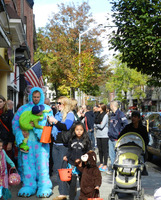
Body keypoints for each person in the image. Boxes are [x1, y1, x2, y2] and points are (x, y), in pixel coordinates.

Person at [12, 87, 53, 198]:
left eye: (38, 97)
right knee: (27, 165)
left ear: (41, 97)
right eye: (34, 97)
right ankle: (29, 185)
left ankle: (44, 185)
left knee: (42, 165)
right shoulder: (23, 109)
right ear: (30, 96)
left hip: (41, 143)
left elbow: (49, 124)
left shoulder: (47, 109)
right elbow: (15, 123)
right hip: (28, 143)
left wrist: (39, 129)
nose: (36, 99)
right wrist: (20, 133)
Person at [48, 96, 75, 200]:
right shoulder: (57, 114)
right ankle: (65, 189)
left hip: (64, 145)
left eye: (60, 103)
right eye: (57, 103)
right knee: (58, 168)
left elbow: (66, 126)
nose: (57, 105)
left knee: (62, 169)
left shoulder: (70, 114)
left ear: (65, 104)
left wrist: (55, 121)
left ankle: (63, 193)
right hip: (55, 144)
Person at [63, 122, 91, 200]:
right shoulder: (72, 139)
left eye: (81, 130)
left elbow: (88, 152)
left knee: (83, 183)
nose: (79, 131)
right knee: (72, 184)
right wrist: (66, 156)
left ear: (84, 131)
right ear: (74, 130)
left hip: (82, 165)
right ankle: (71, 197)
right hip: (72, 164)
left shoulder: (86, 140)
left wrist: (84, 160)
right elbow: (69, 150)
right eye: (77, 130)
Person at [108, 101, 128, 174]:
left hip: (117, 138)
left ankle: (119, 169)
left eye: (110, 105)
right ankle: (114, 169)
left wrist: (120, 133)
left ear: (112, 105)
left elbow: (125, 124)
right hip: (111, 138)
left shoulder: (120, 114)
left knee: (118, 155)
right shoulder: (112, 115)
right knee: (111, 155)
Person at [0, 95, 15, 170]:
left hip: (6, 141)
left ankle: (8, 180)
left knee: (6, 161)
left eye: (0, 102)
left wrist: (10, 142)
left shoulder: (9, 113)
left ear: (4, 102)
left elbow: (12, 128)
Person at [94, 103, 109, 171]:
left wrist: (97, 125)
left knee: (104, 150)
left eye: (99, 107)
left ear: (102, 108)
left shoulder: (105, 115)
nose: (97, 108)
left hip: (104, 135)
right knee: (100, 150)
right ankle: (101, 162)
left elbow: (102, 126)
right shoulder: (97, 115)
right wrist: (97, 124)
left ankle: (105, 164)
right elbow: (94, 124)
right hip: (98, 134)